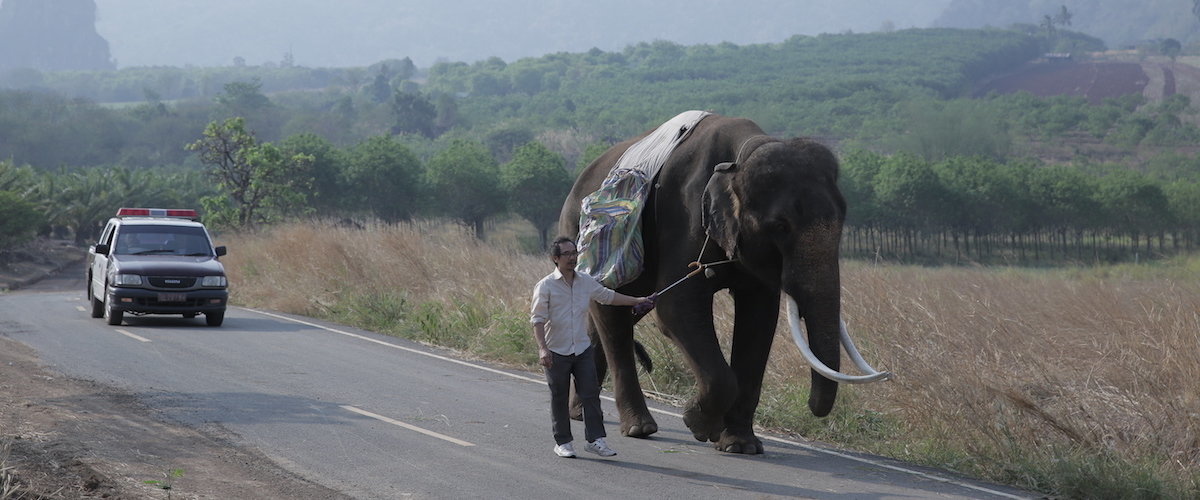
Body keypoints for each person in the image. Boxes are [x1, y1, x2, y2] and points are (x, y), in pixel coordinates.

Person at [530, 236, 654, 458]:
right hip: (556, 351)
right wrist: (542, 348)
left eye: (574, 253)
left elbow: (608, 297)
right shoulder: (545, 286)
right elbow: (537, 320)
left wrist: (637, 300)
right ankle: (563, 442)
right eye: (567, 254)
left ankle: (596, 440)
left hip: (582, 349)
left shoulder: (585, 281)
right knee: (559, 397)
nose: (572, 257)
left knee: (591, 395)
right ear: (555, 258)